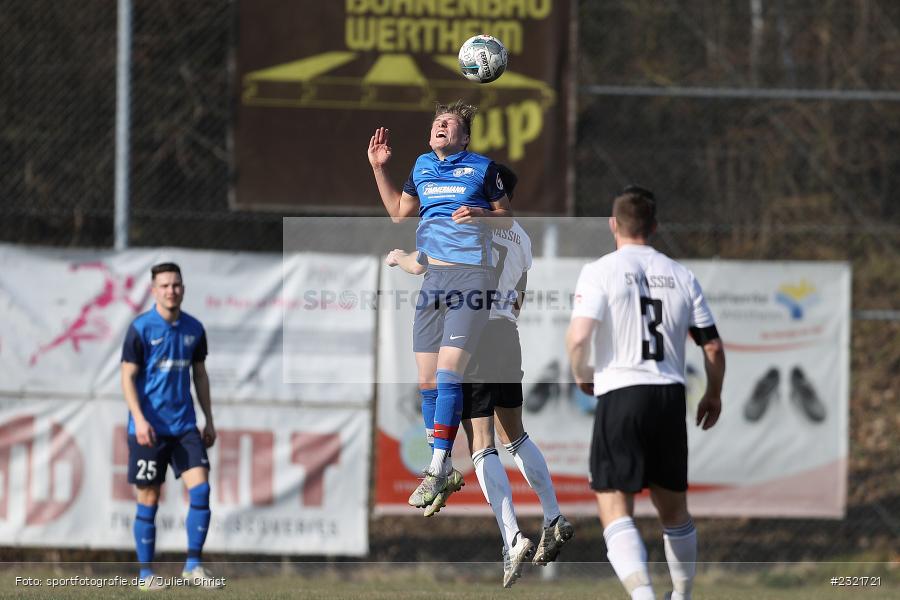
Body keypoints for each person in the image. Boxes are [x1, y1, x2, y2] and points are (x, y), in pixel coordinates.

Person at [385, 166, 574, 589]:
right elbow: (520, 293)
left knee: (482, 446)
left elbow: (430, 263)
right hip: (508, 332)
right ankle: (553, 515)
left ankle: (512, 538)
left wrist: (401, 259)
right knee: (518, 436)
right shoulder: (521, 236)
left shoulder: (467, 220)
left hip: (474, 329)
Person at [565, 187, 726, 600]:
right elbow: (712, 346)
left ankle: (644, 597)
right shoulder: (680, 275)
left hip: (621, 394)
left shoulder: (600, 270)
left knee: (614, 506)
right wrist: (713, 394)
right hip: (669, 397)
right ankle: (683, 594)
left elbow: (579, 338)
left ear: (612, 225)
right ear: (654, 227)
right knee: (674, 511)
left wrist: (583, 375)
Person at [368, 100, 513, 511]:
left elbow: (506, 217)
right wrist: (379, 168)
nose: (441, 126)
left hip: (471, 278)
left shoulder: (483, 168)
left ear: (465, 137)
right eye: (437, 122)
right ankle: (443, 466)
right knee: (429, 382)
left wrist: (482, 214)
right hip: (433, 281)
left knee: (450, 371)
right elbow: (399, 213)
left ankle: (436, 467)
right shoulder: (421, 167)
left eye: (449, 123)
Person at [121, 263, 222, 591]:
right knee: (149, 498)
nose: (171, 290)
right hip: (149, 428)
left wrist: (208, 418)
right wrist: (138, 418)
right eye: (164, 285)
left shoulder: (194, 328)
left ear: (183, 288)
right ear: (153, 290)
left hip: (184, 427)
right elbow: (127, 376)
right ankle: (145, 575)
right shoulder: (141, 328)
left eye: (176, 285)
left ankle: (193, 566)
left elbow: (200, 375)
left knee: (202, 489)